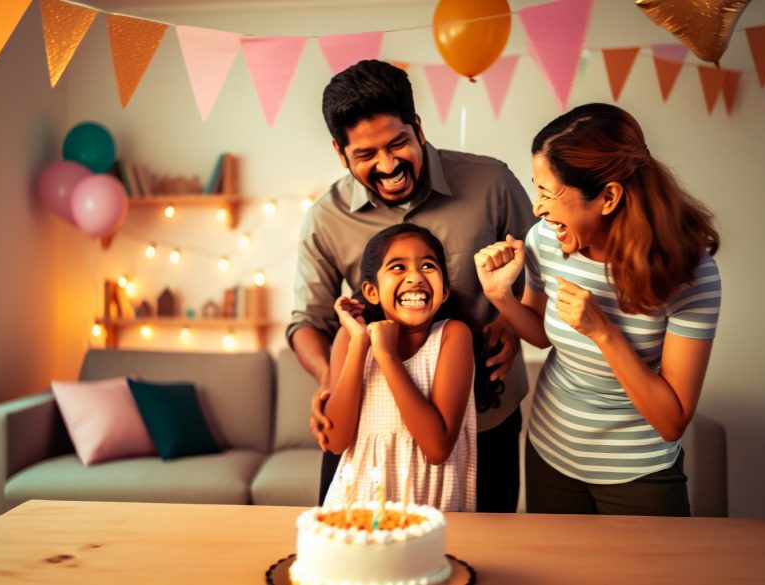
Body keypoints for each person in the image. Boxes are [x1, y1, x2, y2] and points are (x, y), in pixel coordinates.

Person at [287, 59, 535, 511]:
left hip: (486, 419)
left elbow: (545, 275)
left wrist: (513, 325)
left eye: (397, 143)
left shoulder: (491, 183)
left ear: (418, 127)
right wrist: (331, 380)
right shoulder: (325, 219)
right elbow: (308, 321)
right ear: (340, 153)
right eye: (365, 155)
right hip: (368, 431)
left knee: (483, 557)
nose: (387, 165)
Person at [474, 103, 721, 516]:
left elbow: (671, 420)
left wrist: (603, 331)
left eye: (548, 193)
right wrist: (501, 297)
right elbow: (538, 332)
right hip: (550, 452)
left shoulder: (690, 274)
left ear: (608, 197)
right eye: (538, 190)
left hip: (639, 472)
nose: (537, 208)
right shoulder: (546, 241)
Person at [324, 224, 476, 511]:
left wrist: (387, 356)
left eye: (428, 266)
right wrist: (359, 342)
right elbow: (335, 441)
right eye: (397, 267)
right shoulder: (350, 338)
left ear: (444, 290)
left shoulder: (453, 336)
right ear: (371, 291)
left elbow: (437, 448)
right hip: (357, 511)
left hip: (432, 512)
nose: (415, 278)